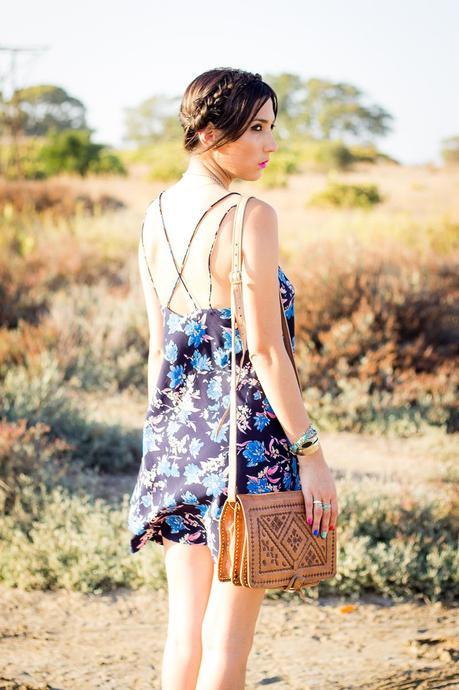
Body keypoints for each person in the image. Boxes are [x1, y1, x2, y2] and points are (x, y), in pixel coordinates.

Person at [127, 67, 339, 690]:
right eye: (257, 129)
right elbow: (267, 352)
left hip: (174, 441)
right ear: (214, 133)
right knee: (227, 644)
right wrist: (312, 454)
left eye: (273, 127)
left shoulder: (155, 214)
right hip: (242, 448)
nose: (272, 144)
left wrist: (159, 446)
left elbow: (158, 346)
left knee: (183, 635)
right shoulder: (250, 214)